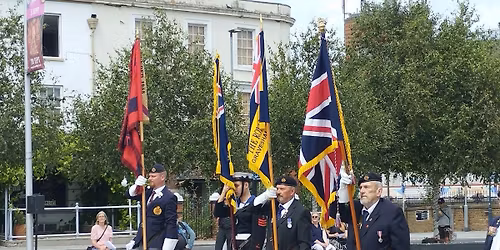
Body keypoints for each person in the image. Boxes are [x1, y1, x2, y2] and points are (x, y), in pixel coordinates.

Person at [330, 167, 410, 250]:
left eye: (366, 187)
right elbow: (334, 212)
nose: (362, 191)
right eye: (360, 187)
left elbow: (401, 246)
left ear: (378, 192)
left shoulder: (392, 212)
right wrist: (341, 191)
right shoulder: (355, 208)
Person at [125, 163, 178, 250]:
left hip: (157, 242)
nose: (150, 179)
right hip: (142, 240)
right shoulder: (147, 192)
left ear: (162, 177)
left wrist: (168, 246)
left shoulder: (169, 197)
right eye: (149, 176)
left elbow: (170, 223)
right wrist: (136, 185)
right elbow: (129, 195)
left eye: (153, 176)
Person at [252, 176, 311, 250]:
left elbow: (304, 244)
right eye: (277, 189)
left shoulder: (301, 212)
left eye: (282, 189)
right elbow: (252, 210)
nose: (278, 192)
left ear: (292, 192)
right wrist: (264, 196)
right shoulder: (272, 207)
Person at [214, 172, 266, 249]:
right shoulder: (234, 205)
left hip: (249, 245)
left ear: (246, 185)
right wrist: (224, 191)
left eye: (237, 186)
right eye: (233, 186)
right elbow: (218, 212)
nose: (234, 189)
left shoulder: (256, 204)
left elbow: (259, 232)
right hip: (234, 244)